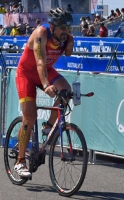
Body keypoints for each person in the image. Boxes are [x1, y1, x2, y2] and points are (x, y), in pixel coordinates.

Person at [14, 7, 73, 177]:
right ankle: (20, 161)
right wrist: (46, 84)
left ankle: (48, 126)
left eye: (67, 28)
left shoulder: (67, 38)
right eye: (62, 27)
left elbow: (68, 53)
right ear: (52, 26)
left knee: (66, 91)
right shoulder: (41, 33)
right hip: (26, 73)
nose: (65, 31)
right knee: (30, 117)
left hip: (45, 70)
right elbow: (40, 61)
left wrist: (70, 43)